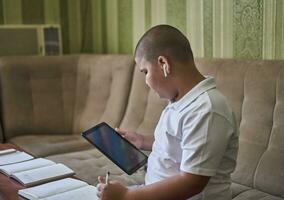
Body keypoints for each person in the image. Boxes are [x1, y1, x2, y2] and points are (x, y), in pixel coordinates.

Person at [97, 24, 239, 200]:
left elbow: (192, 182)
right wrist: (142, 141)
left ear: (164, 63)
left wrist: (126, 196)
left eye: (145, 72)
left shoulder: (207, 110)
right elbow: (180, 143)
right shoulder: (181, 100)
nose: (146, 82)